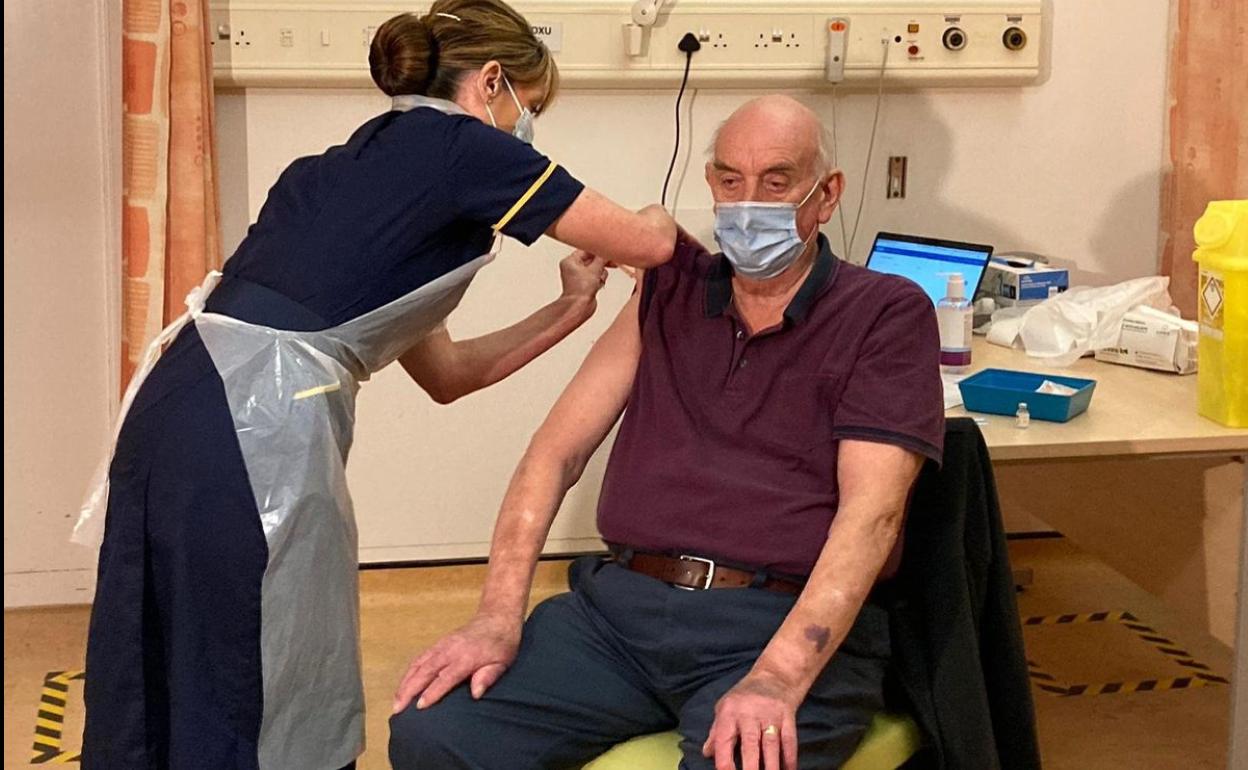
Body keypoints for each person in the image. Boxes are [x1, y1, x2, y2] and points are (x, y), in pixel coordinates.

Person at [77, 1, 677, 767]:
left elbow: (448, 375)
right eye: (530, 107)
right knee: (261, 671)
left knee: (163, 658)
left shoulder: (344, 174)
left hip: (178, 404)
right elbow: (650, 245)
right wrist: (661, 215)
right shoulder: (466, 149)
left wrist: (569, 307)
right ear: (493, 81)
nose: (527, 129)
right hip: (252, 424)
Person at [388, 95, 945, 770]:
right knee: (434, 733)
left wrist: (778, 677)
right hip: (620, 614)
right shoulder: (668, 289)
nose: (749, 203)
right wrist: (496, 618)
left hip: (775, 619)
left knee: (736, 761)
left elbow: (872, 517)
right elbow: (554, 455)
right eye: (731, 180)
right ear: (711, 183)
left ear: (826, 195)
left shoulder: (885, 312)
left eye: (776, 181)